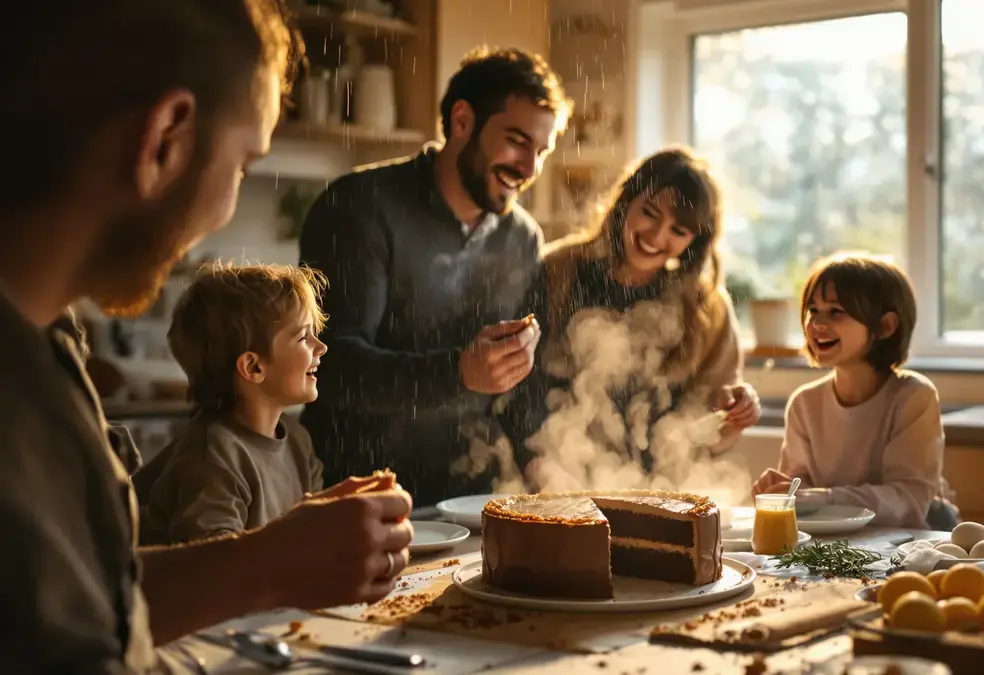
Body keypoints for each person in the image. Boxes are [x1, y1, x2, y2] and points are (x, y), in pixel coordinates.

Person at [0, 2, 416, 671]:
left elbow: (93, 612)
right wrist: (271, 558)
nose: (228, 205)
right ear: (166, 138)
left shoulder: (49, 341)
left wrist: (274, 556)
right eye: (246, 164)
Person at [299, 46, 572, 507]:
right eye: (517, 141)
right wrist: (458, 373)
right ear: (463, 120)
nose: (528, 169)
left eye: (541, 151)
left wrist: (543, 465)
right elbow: (331, 367)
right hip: (355, 494)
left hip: (471, 499)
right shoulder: (358, 208)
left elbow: (521, 385)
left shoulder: (522, 239)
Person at [502, 148, 761, 487]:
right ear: (626, 202)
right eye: (650, 213)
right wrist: (539, 468)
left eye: (678, 231)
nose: (656, 236)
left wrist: (734, 413)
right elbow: (518, 393)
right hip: (552, 485)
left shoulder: (705, 308)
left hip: (661, 491)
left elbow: (709, 418)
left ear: (695, 242)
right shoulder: (556, 273)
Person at [751, 252, 958, 530]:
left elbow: (908, 500)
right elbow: (799, 497)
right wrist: (780, 492)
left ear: (885, 326)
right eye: (813, 310)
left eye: (836, 312)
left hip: (910, 545)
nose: (817, 324)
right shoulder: (804, 404)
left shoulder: (913, 397)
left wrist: (821, 497)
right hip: (838, 548)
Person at [135, 263, 331, 545]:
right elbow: (212, 566)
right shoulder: (213, 458)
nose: (321, 346)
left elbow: (312, 538)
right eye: (303, 337)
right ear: (252, 367)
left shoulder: (298, 442)